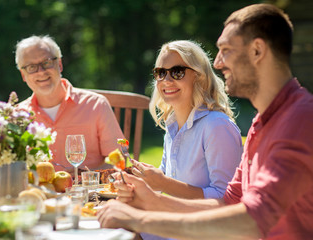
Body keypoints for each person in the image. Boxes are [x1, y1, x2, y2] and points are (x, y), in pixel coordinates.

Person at [98, 3, 313, 239]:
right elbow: (230, 202)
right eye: (160, 73)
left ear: (257, 51)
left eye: (226, 50)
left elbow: (253, 220)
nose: (218, 63)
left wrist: (140, 219)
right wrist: (153, 199)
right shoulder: (261, 123)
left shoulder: (300, 119)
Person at [134, 40, 242, 240]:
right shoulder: (172, 125)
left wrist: (164, 184)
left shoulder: (216, 126)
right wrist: (142, 179)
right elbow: (167, 179)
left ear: (199, 77)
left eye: (177, 72)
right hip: (179, 225)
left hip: (207, 233)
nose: (166, 80)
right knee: (116, 225)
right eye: (160, 73)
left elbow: (227, 200)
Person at [15, 35, 124, 172]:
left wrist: (82, 179)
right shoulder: (17, 116)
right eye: (31, 67)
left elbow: (119, 161)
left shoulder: (96, 105)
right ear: (23, 75)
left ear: (59, 64)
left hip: (89, 192)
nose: (41, 72)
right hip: (39, 192)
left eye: (47, 62)